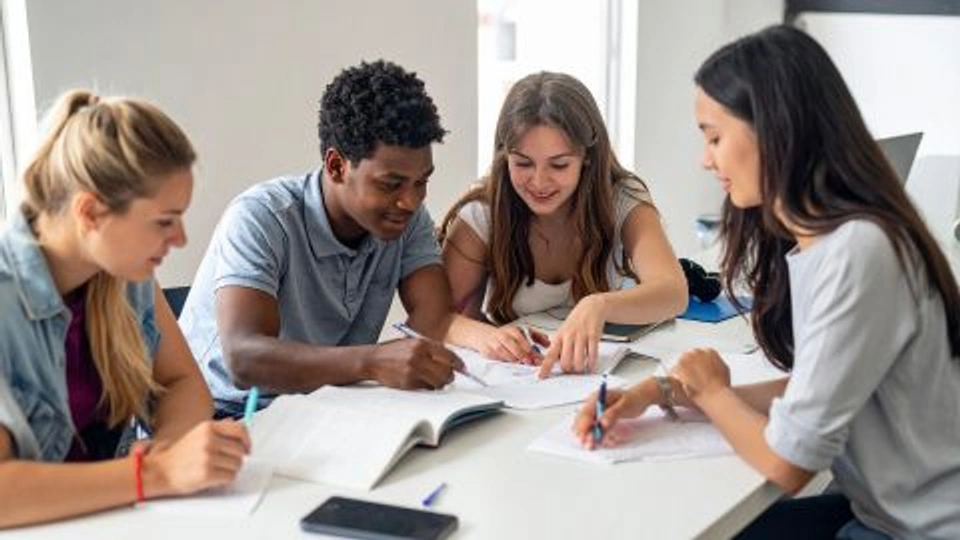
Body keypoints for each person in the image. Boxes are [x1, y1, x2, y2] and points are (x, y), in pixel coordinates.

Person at [574, 25, 960, 539]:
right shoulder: (831, 242)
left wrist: (712, 392)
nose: (705, 159)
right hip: (883, 512)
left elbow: (789, 464)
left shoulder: (858, 251)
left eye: (714, 136)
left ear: (775, 131)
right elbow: (813, 392)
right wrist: (667, 392)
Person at [180, 60, 493, 418]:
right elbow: (244, 359)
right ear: (336, 166)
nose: (410, 201)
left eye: (421, 182)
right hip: (219, 415)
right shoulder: (262, 217)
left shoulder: (407, 219)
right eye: (390, 184)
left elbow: (433, 319)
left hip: (323, 408)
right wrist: (372, 361)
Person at [0, 90, 250, 528]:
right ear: (90, 212)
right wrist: (155, 473)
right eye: (164, 221)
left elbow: (181, 383)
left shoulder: (125, 274)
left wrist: (170, 451)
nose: (180, 240)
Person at [438, 71, 687, 376]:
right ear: (504, 155)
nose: (539, 181)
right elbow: (433, 317)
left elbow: (673, 292)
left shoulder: (622, 197)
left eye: (559, 165)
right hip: (519, 377)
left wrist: (598, 305)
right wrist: (482, 335)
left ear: (587, 157)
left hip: (598, 376)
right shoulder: (482, 213)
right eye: (523, 163)